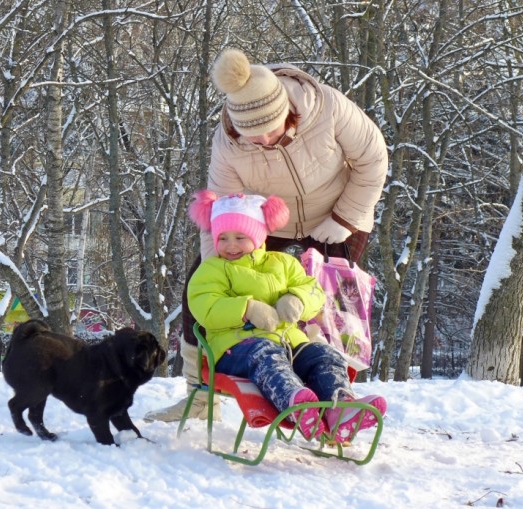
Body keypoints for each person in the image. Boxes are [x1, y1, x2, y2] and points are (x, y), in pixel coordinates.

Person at [144, 48, 388, 423]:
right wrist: (213, 273)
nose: (261, 141)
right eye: (251, 136)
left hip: (339, 210)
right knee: (198, 285)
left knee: (331, 301)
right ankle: (200, 397)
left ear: (286, 113)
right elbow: (221, 211)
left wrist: (345, 217)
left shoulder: (327, 107)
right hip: (261, 221)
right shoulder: (227, 143)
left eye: (269, 131)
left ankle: (336, 398)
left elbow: (374, 158)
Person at [184, 191, 386, 441]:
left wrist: (298, 299)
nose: (230, 245)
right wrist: (245, 309)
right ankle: (295, 403)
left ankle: (340, 406)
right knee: (264, 353)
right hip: (235, 349)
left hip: (291, 344)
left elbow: (314, 290)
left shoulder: (283, 263)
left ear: (258, 236)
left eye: (240, 236)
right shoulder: (213, 269)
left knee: (324, 355)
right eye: (222, 238)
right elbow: (205, 306)